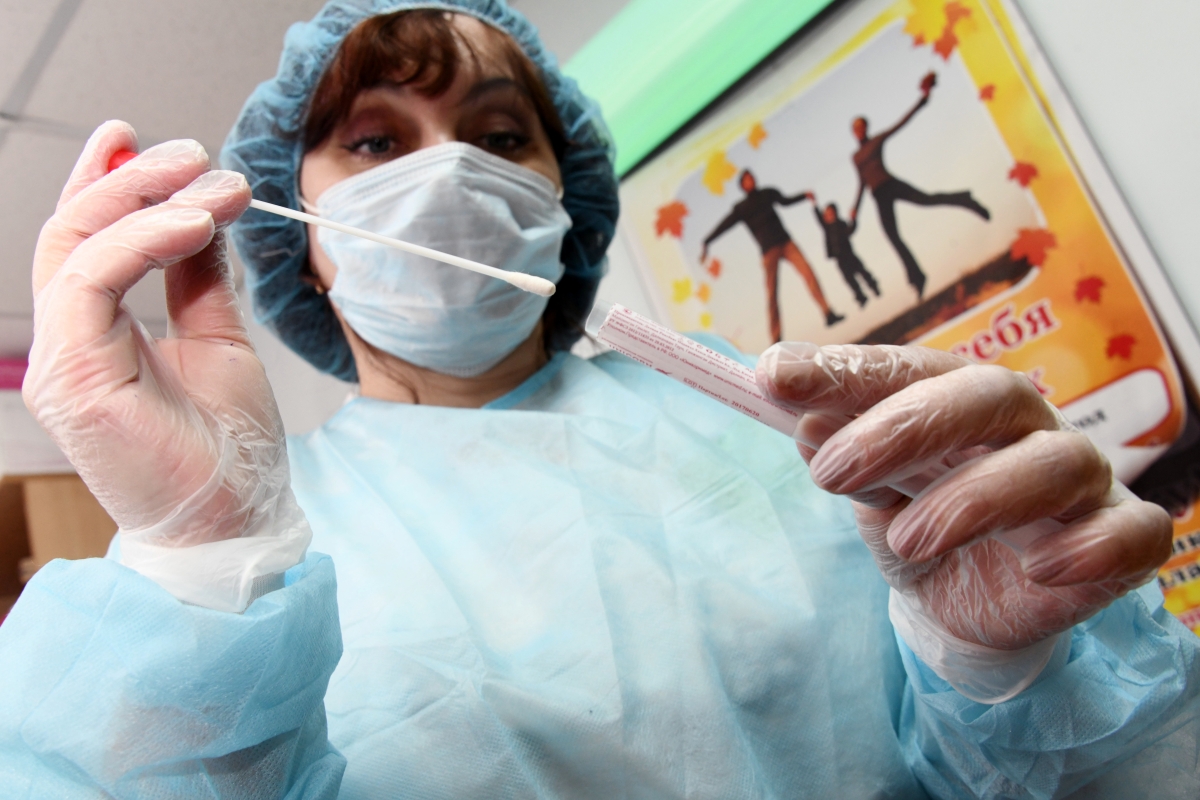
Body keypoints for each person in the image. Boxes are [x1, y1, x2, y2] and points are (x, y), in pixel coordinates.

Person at [4, 1, 1199, 797]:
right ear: (298, 232)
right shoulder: (253, 546)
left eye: (498, 134)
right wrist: (206, 558)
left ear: (564, 198)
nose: (446, 171)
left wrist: (1003, 666)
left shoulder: (765, 424)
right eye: (372, 142)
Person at [851, 71, 990, 298]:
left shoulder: (876, 140)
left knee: (928, 200)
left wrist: (923, 99)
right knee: (893, 236)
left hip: (890, 184)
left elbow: (901, 123)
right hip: (878, 195)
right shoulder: (855, 158)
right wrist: (855, 209)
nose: (859, 130)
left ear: (866, 127)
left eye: (861, 126)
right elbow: (861, 182)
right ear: (853, 133)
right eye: (856, 128)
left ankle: (965, 199)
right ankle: (917, 278)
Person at [701, 169, 843, 341]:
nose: (751, 180)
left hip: (786, 243)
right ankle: (776, 339)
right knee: (772, 294)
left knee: (809, 274)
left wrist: (804, 196)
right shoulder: (741, 208)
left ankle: (828, 313)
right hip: (768, 252)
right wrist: (707, 240)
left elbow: (785, 201)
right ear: (742, 186)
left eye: (752, 177)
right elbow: (725, 224)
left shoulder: (768, 193)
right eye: (747, 180)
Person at [809, 191, 880, 308]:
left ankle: (874, 286)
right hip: (839, 258)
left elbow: (850, 230)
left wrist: (854, 220)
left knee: (862, 271)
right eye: (826, 214)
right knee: (849, 279)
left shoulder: (841, 224)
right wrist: (814, 203)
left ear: (835, 214)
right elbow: (818, 218)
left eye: (830, 213)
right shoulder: (827, 228)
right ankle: (861, 297)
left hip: (849, 254)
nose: (827, 216)